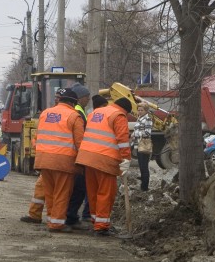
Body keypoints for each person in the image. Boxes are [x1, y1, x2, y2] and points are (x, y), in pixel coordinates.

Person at [19, 88, 84, 232]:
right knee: (61, 193)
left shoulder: (45, 114)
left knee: (49, 192)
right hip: (63, 162)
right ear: (73, 103)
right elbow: (80, 143)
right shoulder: (74, 116)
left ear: (60, 100)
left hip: (43, 160)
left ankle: (51, 219)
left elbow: (40, 136)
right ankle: (56, 224)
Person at [76, 96, 133, 237]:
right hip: (104, 159)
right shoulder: (119, 115)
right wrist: (126, 159)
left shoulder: (96, 112)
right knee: (105, 193)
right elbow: (123, 140)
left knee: (93, 192)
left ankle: (96, 222)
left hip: (87, 158)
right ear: (126, 111)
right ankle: (101, 227)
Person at [65, 84, 93, 229]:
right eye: (87, 97)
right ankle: (71, 217)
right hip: (76, 157)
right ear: (80, 98)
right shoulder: (78, 113)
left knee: (75, 188)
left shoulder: (79, 111)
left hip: (72, 156)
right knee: (79, 188)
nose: (88, 99)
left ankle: (69, 215)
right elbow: (79, 138)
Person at [131, 102, 154, 192]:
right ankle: (143, 185)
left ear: (146, 110)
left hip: (144, 145)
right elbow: (137, 129)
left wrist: (135, 134)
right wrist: (133, 134)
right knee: (141, 166)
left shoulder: (147, 119)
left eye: (142, 110)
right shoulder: (140, 118)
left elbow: (147, 133)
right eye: (139, 110)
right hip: (138, 145)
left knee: (144, 167)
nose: (139, 111)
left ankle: (145, 188)